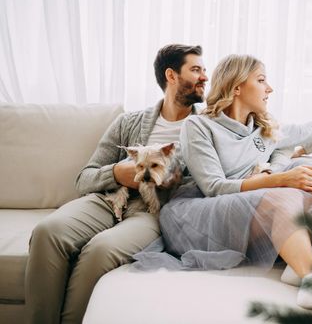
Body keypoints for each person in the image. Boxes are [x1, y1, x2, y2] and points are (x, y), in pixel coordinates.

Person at [25, 43, 208, 324]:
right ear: (171, 76)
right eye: (196, 70)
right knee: (47, 231)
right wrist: (117, 173)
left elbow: (211, 183)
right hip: (108, 198)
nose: (205, 77)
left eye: (204, 70)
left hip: (152, 212)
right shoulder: (128, 122)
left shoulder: (206, 128)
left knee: (101, 249)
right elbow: (84, 178)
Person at [152, 54, 312, 310]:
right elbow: (214, 187)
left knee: (309, 171)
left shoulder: (264, 128)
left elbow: (308, 131)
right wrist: (278, 179)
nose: (269, 88)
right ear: (237, 87)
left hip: (247, 203)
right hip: (200, 211)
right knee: (283, 191)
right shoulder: (198, 125)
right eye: (261, 80)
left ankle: (298, 262)